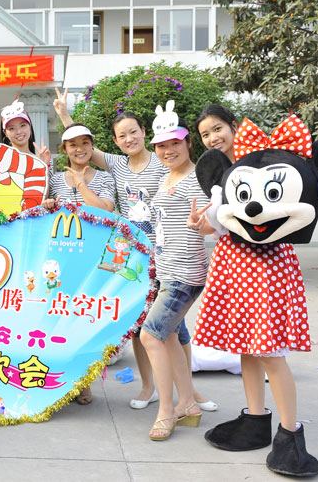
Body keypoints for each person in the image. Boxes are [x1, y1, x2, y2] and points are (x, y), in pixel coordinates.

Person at [54, 93, 217, 413]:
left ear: (145, 132)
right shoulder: (117, 163)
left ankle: (189, 392)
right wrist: (64, 116)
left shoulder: (164, 158)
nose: (129, 139)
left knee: (175, 328)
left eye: (133, 132)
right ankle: (148, 387)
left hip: (168, 255)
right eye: (122, 135)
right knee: (141, 325)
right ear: (116, 141)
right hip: (135, 256)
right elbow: (81, 146)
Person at [137, 101, 210, 440]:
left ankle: (166, 410)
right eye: (161, 145)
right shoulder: (167, 176)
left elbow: (211, 220)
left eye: (175, 143)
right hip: (167, 270)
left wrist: (203, 224)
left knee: (150, 336)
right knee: (167, 337)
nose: (168, 150)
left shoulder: (198, 179)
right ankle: (188, 404)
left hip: (186, 272)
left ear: (188, 143)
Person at [43, 123, 115, 405]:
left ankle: (83, 382)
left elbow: (105, 209)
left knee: (85, 322)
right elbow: (42, 207)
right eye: (73, 144)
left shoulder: (104, 178)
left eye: (85, 143)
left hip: (94, 259)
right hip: (60, 261)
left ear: (92, 146)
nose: (80, 149)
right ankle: (58, 381)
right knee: (56, 322)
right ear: (65, 149)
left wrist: (81, 183)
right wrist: (49, 204)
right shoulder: (55, 179)